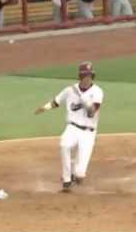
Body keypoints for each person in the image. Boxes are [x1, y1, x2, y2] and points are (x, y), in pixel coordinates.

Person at [34, 62, 104, 193]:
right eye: (85, 75)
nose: (87, 78)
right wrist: (44, 108)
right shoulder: (70, 90)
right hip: (72, 128)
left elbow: (91, 113)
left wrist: (86, 102)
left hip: (88, 133)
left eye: (89, 75)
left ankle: (75, 174)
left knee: (80, 175)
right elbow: (56, 102)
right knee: (64, 144)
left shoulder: (97, 92)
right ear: (80, 76)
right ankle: (66, 180)